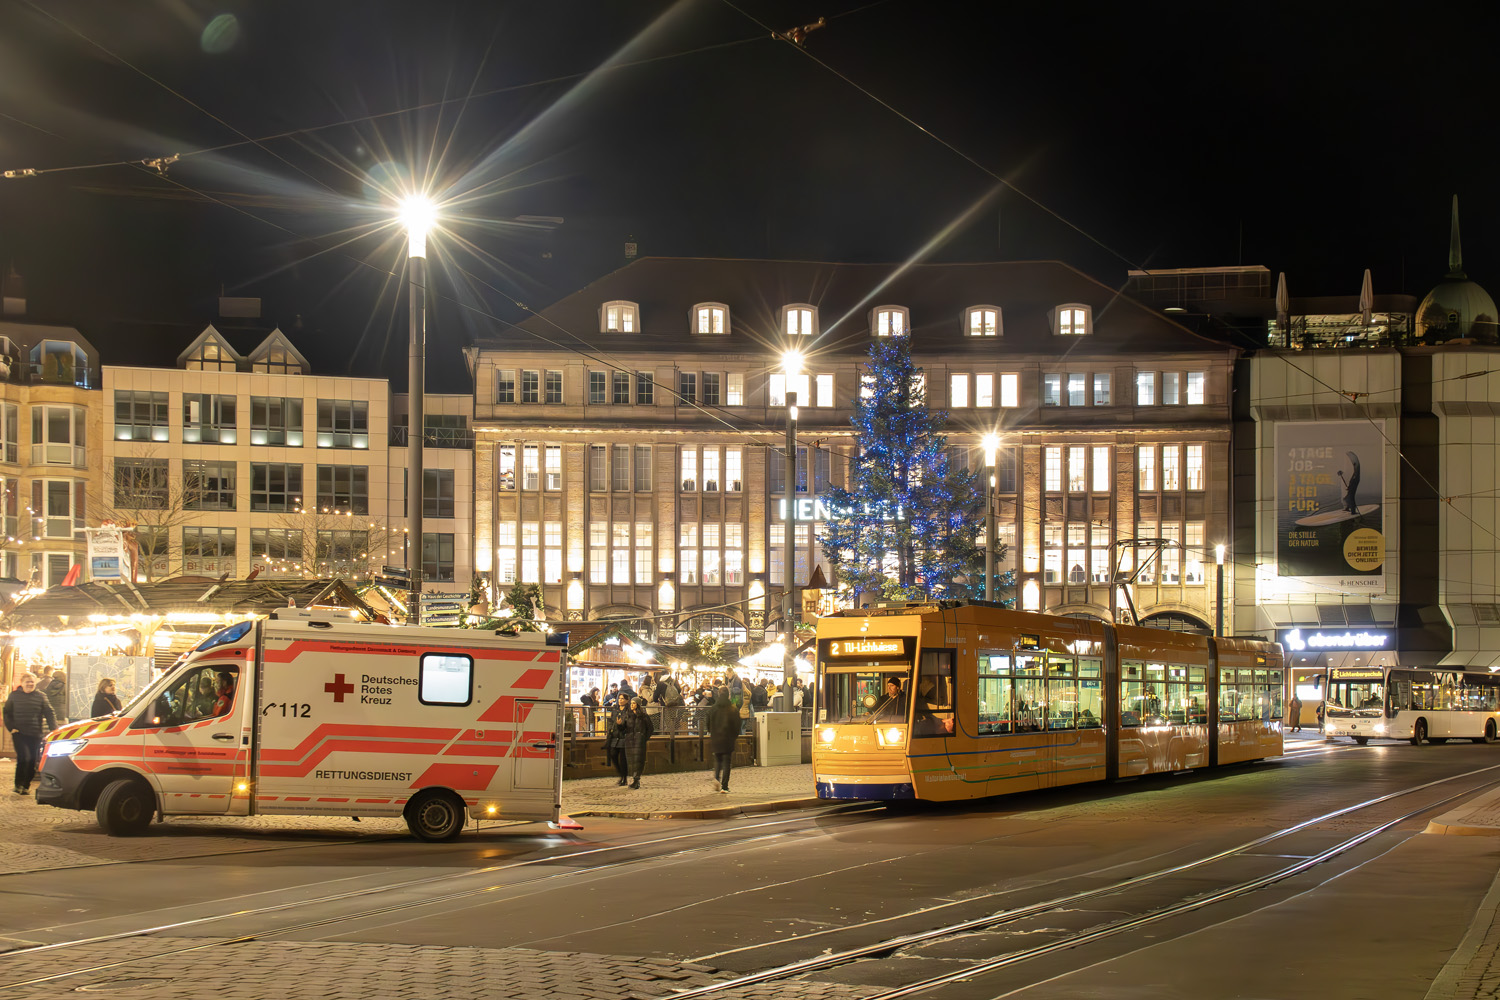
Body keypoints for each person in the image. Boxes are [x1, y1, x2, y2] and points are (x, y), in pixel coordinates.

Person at [4, 672, 56, 795]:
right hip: (19, 733)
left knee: (32, 760)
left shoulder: (41, 696)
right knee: (24, 758)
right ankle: (18, 784)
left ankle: (26, 785)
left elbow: (49, 712)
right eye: (27, 682)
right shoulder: (14, 696)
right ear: (21, 683)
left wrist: (54, 729)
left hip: (35, 733)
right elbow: (7, 712)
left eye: (32, 681)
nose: (30, 684)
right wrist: (11, 727)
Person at [708, 685, 740, 793]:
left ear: (718, 694)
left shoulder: (713, 708)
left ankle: (717, 779)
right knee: (727, 763)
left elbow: (708, 724)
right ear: (728, 695)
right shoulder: (732, 709)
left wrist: (712, 733)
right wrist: (734, 736)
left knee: (718, 760)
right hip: (728, 739)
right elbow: (737, 726)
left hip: (716, 738)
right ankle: (724, 787)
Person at [622, 696, 653, 789]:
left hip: (639, 741)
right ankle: (634, 778)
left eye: (634, 703)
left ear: (638, 705)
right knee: (631, 760)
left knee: (638, 760)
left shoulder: (643, 716)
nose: (632, 705)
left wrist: (643, 737)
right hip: (629, 740)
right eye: (631, 703)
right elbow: (624, 727)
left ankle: (636, 779)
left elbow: (650, 728)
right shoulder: (628, 715)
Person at [603, 702, 630, 785]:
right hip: (614, 736)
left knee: (623, 759)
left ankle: (624, 778)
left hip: (623, 737)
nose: (621, 700)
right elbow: (611, 721)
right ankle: (621, 774)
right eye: (620, 698)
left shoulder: (628, 711)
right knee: (613, 755)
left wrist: (620, 725)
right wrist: (610, 730)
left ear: (626, 700)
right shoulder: (615, 709)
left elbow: (628, 724)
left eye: (623, 698)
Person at [1338, 450, 1362, 516]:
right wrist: (1341, 473)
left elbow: (1353, 474)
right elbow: (1347, 473)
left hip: (1353, 481)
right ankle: (1347, 507)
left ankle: (1353, 511)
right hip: (1351, 481)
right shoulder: (1350, 466)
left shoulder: (1354, 468)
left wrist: (1350, 485)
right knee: (1346, 496)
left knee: (1350, 496)